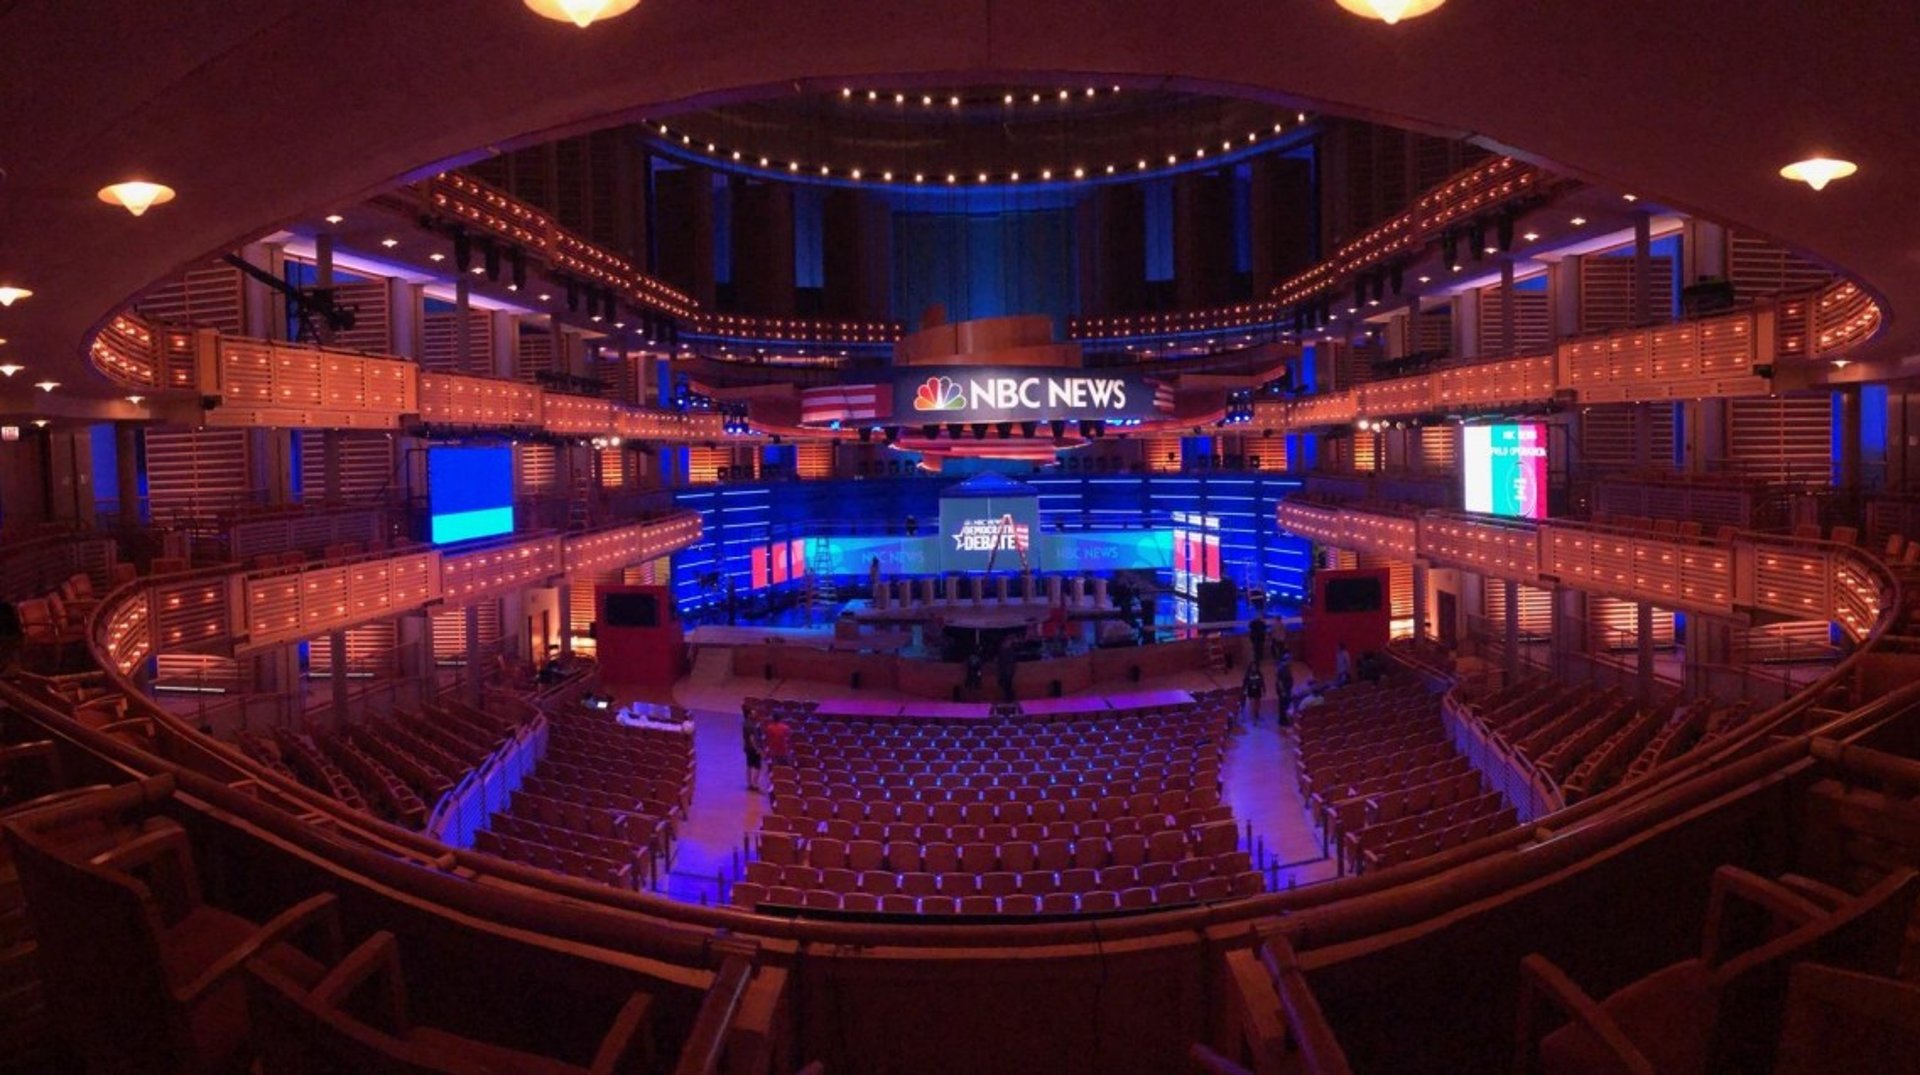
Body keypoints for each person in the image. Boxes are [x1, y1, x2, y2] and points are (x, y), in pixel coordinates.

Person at [741, 712, 763, 792]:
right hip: (753, 749)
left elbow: (745, 737)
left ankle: (749, 784)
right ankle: (755, 784)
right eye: (754, 714)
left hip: (747, 748)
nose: (756, 715)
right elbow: (752, 739)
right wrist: (757, 749)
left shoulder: (745, 723)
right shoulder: (751, 726)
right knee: (758, 766)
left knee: (749, 765)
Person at [1275, 648, 1295, 727]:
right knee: (1283, 705)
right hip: (1283, 690)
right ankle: (1283, 721)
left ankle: (1284, 720)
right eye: (1290, 659)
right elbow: (1279, 681)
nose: (1291, 661)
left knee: (1285, 704)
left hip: (1287, 689)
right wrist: (1283, 691)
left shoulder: (1286, 667)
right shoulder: (1281, 668)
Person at [1241, 661, 1265, 727]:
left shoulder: (1259, 673)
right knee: (1253, 706)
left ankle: (1257, 715)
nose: (1254, 667)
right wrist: (1244, 690)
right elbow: (1245, 683)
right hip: (1251, 692)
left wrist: (1264, 690)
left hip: (1258, 691)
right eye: (1253, 666)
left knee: (1258, 705)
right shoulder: (1248, 674)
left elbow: (1262, 682)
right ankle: (1255, 719)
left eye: (1255, 666)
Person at [996, 637, 1019, 703]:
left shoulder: (1010, 651)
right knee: (1005, 685)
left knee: (1007, 685)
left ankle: (1009, 698)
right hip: (1004, 670)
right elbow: (1000, 662)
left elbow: (1011, 661)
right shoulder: (1002, 650)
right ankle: (1009, 697)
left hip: (1008, 670)